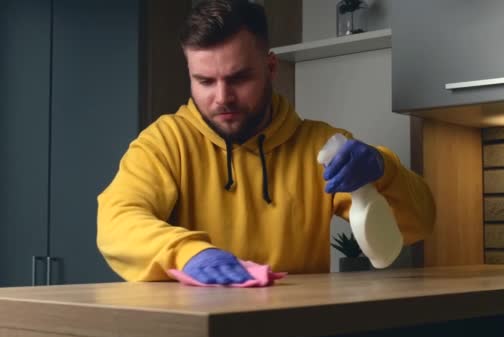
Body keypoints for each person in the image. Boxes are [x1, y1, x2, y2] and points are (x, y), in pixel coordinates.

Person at [97, 0, 436, 285]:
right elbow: (117, 221)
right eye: (204, 81)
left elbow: (418, 225)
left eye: (239, 78)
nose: (222, 98)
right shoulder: (165, 143)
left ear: (270, 67)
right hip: (199, 331)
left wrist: (383, 169)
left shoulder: (320, 146)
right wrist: (189, 253)